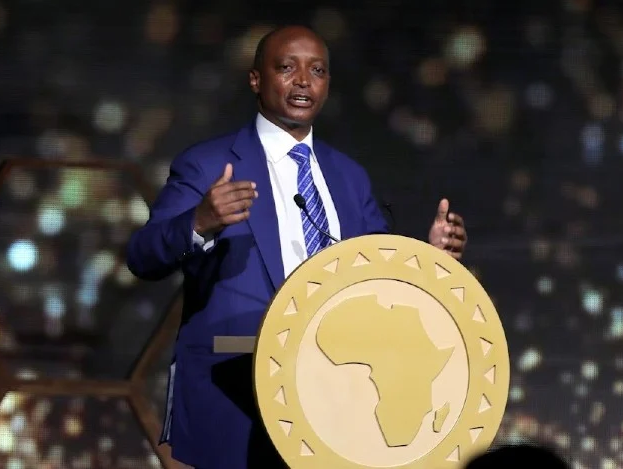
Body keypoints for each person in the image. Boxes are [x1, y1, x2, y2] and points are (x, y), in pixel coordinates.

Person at [126, 25, 468, 469]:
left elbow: (377, 278)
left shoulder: (348, 176)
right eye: (287, 68)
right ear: (256, 79)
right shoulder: (208, 163)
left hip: (338, 397)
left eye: (317, 70)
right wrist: (200, 221)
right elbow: (142, 256)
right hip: (236, 391)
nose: (304, 80)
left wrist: (429, 258)